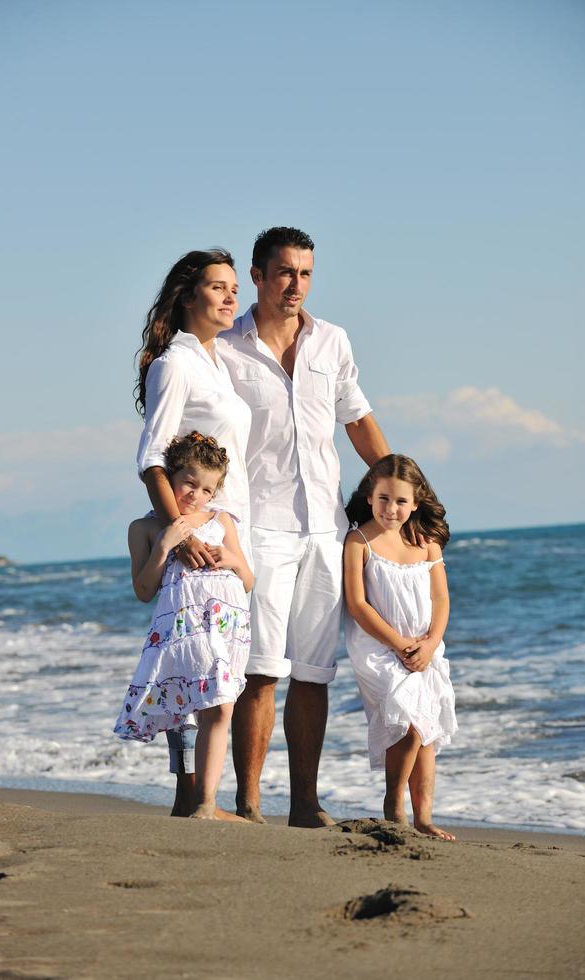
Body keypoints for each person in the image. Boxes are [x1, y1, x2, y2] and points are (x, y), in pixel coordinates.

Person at [219, 227, 390, 827]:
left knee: (314, 673)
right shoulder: (225, 348)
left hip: (324, 527)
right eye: (286, 272)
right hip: (258, 527)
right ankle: (248, 801)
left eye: (307, 273)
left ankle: (303, 803)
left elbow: (358, 420)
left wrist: (400, 487)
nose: (297, 285)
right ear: (259, 276)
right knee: (260, 670)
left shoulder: (332, 342)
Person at [134, 249, 252, 815]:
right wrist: (181, 536)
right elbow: (152, 456)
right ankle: (191, 798)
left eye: (234, 288)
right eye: (218, 287)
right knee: (194, 665)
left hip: (223, 532)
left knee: (213, 667)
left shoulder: (216, 362)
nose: (232, 297)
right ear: (187, 297)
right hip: (194, 540)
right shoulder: (175, 364)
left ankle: (198, 797)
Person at [114, 431, 254, 821]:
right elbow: (143, 590)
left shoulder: (221, 520)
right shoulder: (142, 529)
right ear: (169, 479)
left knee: (219, 709)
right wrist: (164, 545)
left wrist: (230, 557)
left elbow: (248, 579)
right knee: (206, 708)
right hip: (185, 629)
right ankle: (202, 801)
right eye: (188, 483)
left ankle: (205, 803)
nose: (196, 495)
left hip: (228, 626)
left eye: (207, 489)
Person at [342, 453, 457, 840]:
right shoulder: (359, 541)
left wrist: (430, 643)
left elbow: (441, 600)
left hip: (424, 650)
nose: (392, 509)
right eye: (384, 499)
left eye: (401, 501)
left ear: (416, 502)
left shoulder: (426, 543)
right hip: (378, 647)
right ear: (370, 497)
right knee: (406, 725)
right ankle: (394, 803)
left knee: (425, 729)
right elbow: (357, 604)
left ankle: (423, 816)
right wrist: (399, 644)